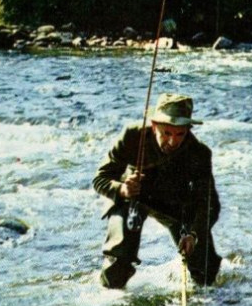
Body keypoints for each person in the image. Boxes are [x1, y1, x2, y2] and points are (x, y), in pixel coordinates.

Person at [94, 93, 221, 289]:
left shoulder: (199, 153)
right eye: (166, 133)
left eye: (180, 134)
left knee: (206, 274)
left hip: (172, 203)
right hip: (131, 198)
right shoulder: (132, 136)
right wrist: (122, 189)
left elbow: (209, 204)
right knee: (118, 261)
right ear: (154, 126)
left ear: (188, 129)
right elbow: (100, 179)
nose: (173, 141)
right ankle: (111, 298)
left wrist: (193, 235)